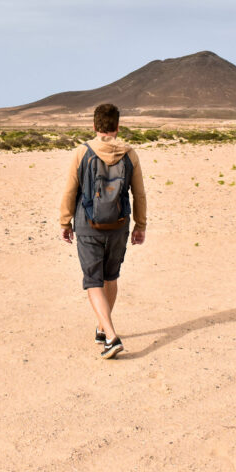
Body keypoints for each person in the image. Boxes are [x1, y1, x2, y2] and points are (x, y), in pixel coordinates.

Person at [60, 103, 147, 359]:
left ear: (95, 126)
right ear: (117, 127)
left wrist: (65, 222)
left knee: (92, 280)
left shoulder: (82, 153)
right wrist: (140, 225)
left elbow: (69, 191)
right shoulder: (130, 154)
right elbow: (139, 193)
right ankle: (101, 327)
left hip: (88, 224)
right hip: (120, 224)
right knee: (111, 276)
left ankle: (110, 335)